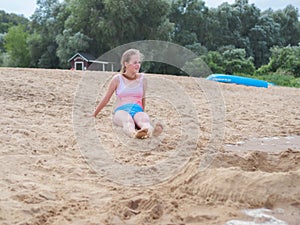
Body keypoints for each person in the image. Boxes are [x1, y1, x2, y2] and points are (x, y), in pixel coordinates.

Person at [91, 49, 163, 139]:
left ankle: (149, 130)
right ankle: (133, 133)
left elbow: (143, 98)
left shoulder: (143, 79)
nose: (138, 65)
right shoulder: (117, 79)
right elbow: (106, 98)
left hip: (137, 109)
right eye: (135, 62)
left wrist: (141, 112)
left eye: (139, 62)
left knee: (144, 120)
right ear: (126, 64)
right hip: (121, 111)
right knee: (127, 120)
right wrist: (94, 114)